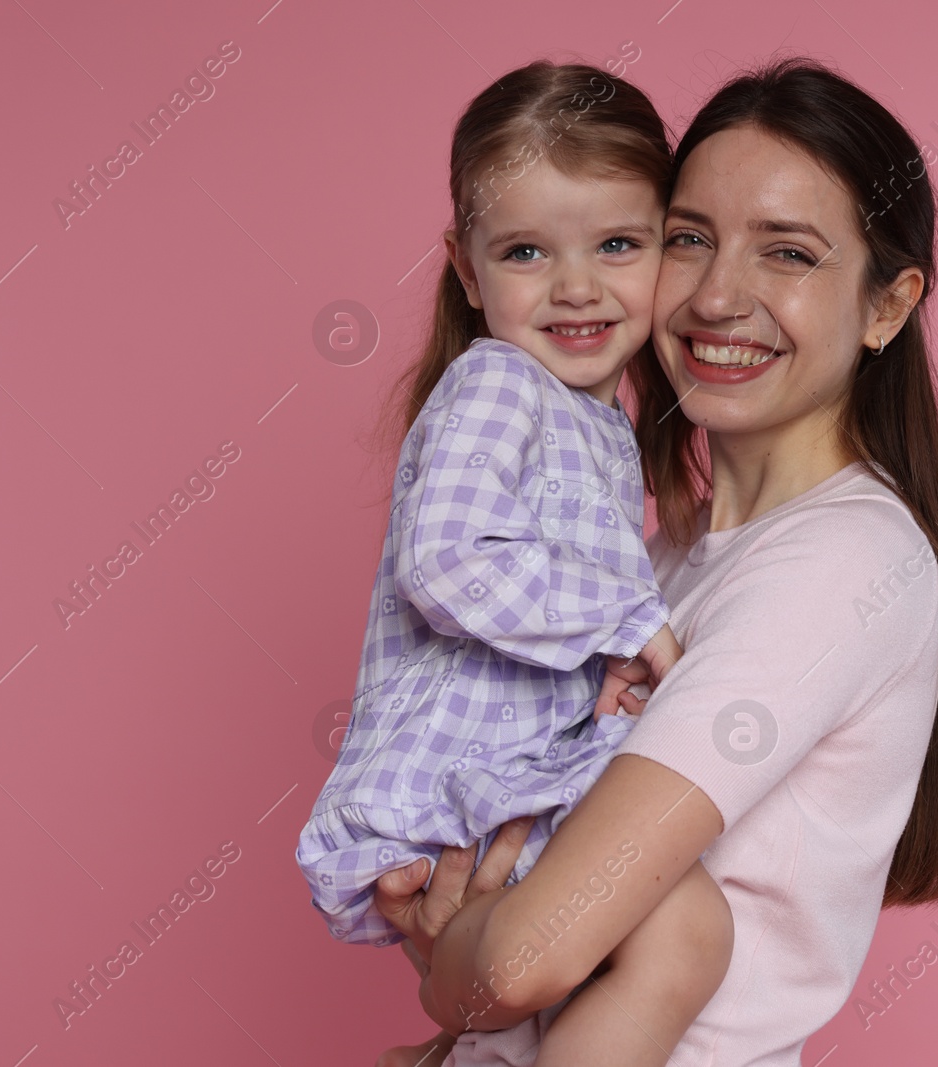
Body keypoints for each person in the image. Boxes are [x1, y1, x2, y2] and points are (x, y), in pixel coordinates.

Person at [372, 56, 938, 1067]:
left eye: (786, 254)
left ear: (886, 305)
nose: (716, 295)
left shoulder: (840, 561)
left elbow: (523, 956)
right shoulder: (652, 560)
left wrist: (451, 967)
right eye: (689, 238)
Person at [293, 61, 734, 1067]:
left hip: (510, 770)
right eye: (528, 250)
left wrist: (612, 669)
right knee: (683, 931)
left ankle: (437, 1053)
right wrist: (626, 620)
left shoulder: (597, 421)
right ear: (465, 265)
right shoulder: (497, 381)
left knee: (594, 961)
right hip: (461, 780)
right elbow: (446, 564)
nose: (577, 286)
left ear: (669, 247)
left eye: (617, 244)